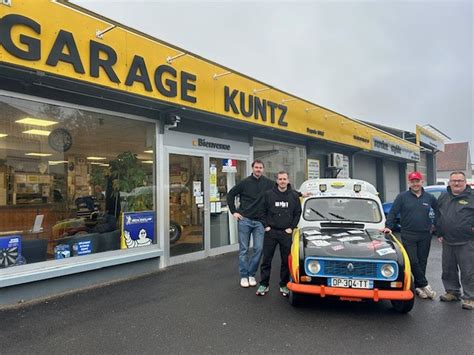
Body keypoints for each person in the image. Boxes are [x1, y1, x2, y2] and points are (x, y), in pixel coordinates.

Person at [383, 171, 437, 300]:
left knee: (422, 261)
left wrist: (437, 227)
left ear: (421, 182)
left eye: (417, 181)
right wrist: (388, 226)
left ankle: (418, 287)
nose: (415, 184)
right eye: (413, 182)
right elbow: (393, 212)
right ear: (410, 183)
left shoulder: (429, 197)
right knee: (413, 261)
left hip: (425, 234)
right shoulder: (402, 197)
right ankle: (425, 284)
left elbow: (439, 211)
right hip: (408, 234)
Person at [227, 160, 274, 288]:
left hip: (259, 222)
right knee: (244, 250)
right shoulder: (245, 183)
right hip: (245, 220)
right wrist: (234, 212)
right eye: (256, 167)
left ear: (263, 169)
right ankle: (243, 276)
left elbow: (283, 189)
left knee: (258, 249)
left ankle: (251, 274)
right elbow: (230, 195)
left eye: (260, 167)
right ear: (252, 168)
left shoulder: (268, 183)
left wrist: (300, 194)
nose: (258, 169)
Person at [256, 171, 302, 297]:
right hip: (271, 232)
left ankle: (284, 285)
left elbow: (298, 212)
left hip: (286, 233)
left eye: (284, 179)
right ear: (276, 181)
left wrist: (292, 227)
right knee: (266, 260)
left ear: (288, 180)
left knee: (286, 261)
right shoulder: (268, 195)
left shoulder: (293, 195)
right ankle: (264, 284)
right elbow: (262, 211)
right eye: (280, 179)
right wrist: (266, 226)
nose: (282, 181)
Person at [436, 171, 474, 310]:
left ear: (465, 182)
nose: (456, 183)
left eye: (459, 181)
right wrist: (439, 232)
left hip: (467, 241)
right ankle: (452, 291)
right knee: (448, 269)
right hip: (447, 240)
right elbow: (438, 215)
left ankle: (470, 297)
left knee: (468, 271)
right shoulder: (444, 197)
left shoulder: (472, 197)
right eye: (453, 181)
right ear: (449, 182)